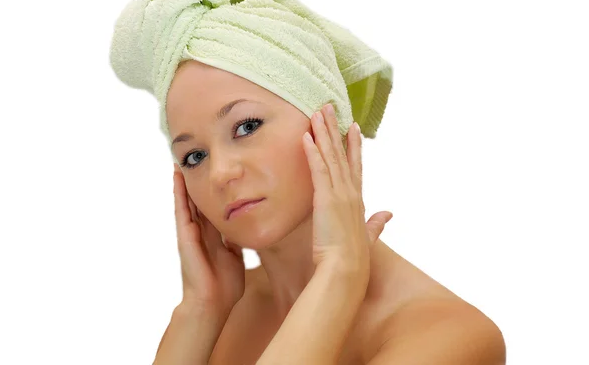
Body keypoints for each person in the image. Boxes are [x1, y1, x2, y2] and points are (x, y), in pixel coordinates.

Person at [160, 58, 506, 365]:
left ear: (329, 120)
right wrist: (199, 310)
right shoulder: (219, 313)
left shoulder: (452, 336)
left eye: (247, 126)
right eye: (195, 156)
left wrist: (339, 272)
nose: (220, 173)